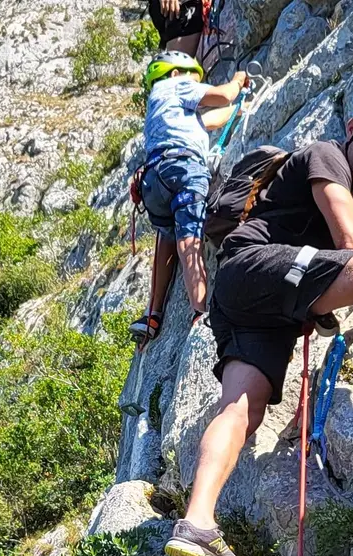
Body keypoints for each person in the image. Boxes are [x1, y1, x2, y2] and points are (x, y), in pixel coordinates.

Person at [165, 85, 353, 556]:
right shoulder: (328, 156)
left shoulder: (348, 176)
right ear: (352, 129)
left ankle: (197, 520)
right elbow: (351, 241)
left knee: (243, 407)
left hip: (251, 302)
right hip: (256, 269)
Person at [133, 52, 249, 344]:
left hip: (156, 178)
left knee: (166, 238)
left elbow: (212, 119)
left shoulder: (162, 105)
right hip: (185, 169)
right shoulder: (176, 85)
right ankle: (200, 311)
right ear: (175, 73)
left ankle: (153, 314)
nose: (196, 85)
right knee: (190, 240)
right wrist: (238, 80)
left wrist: (241, 102)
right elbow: (222, 96)